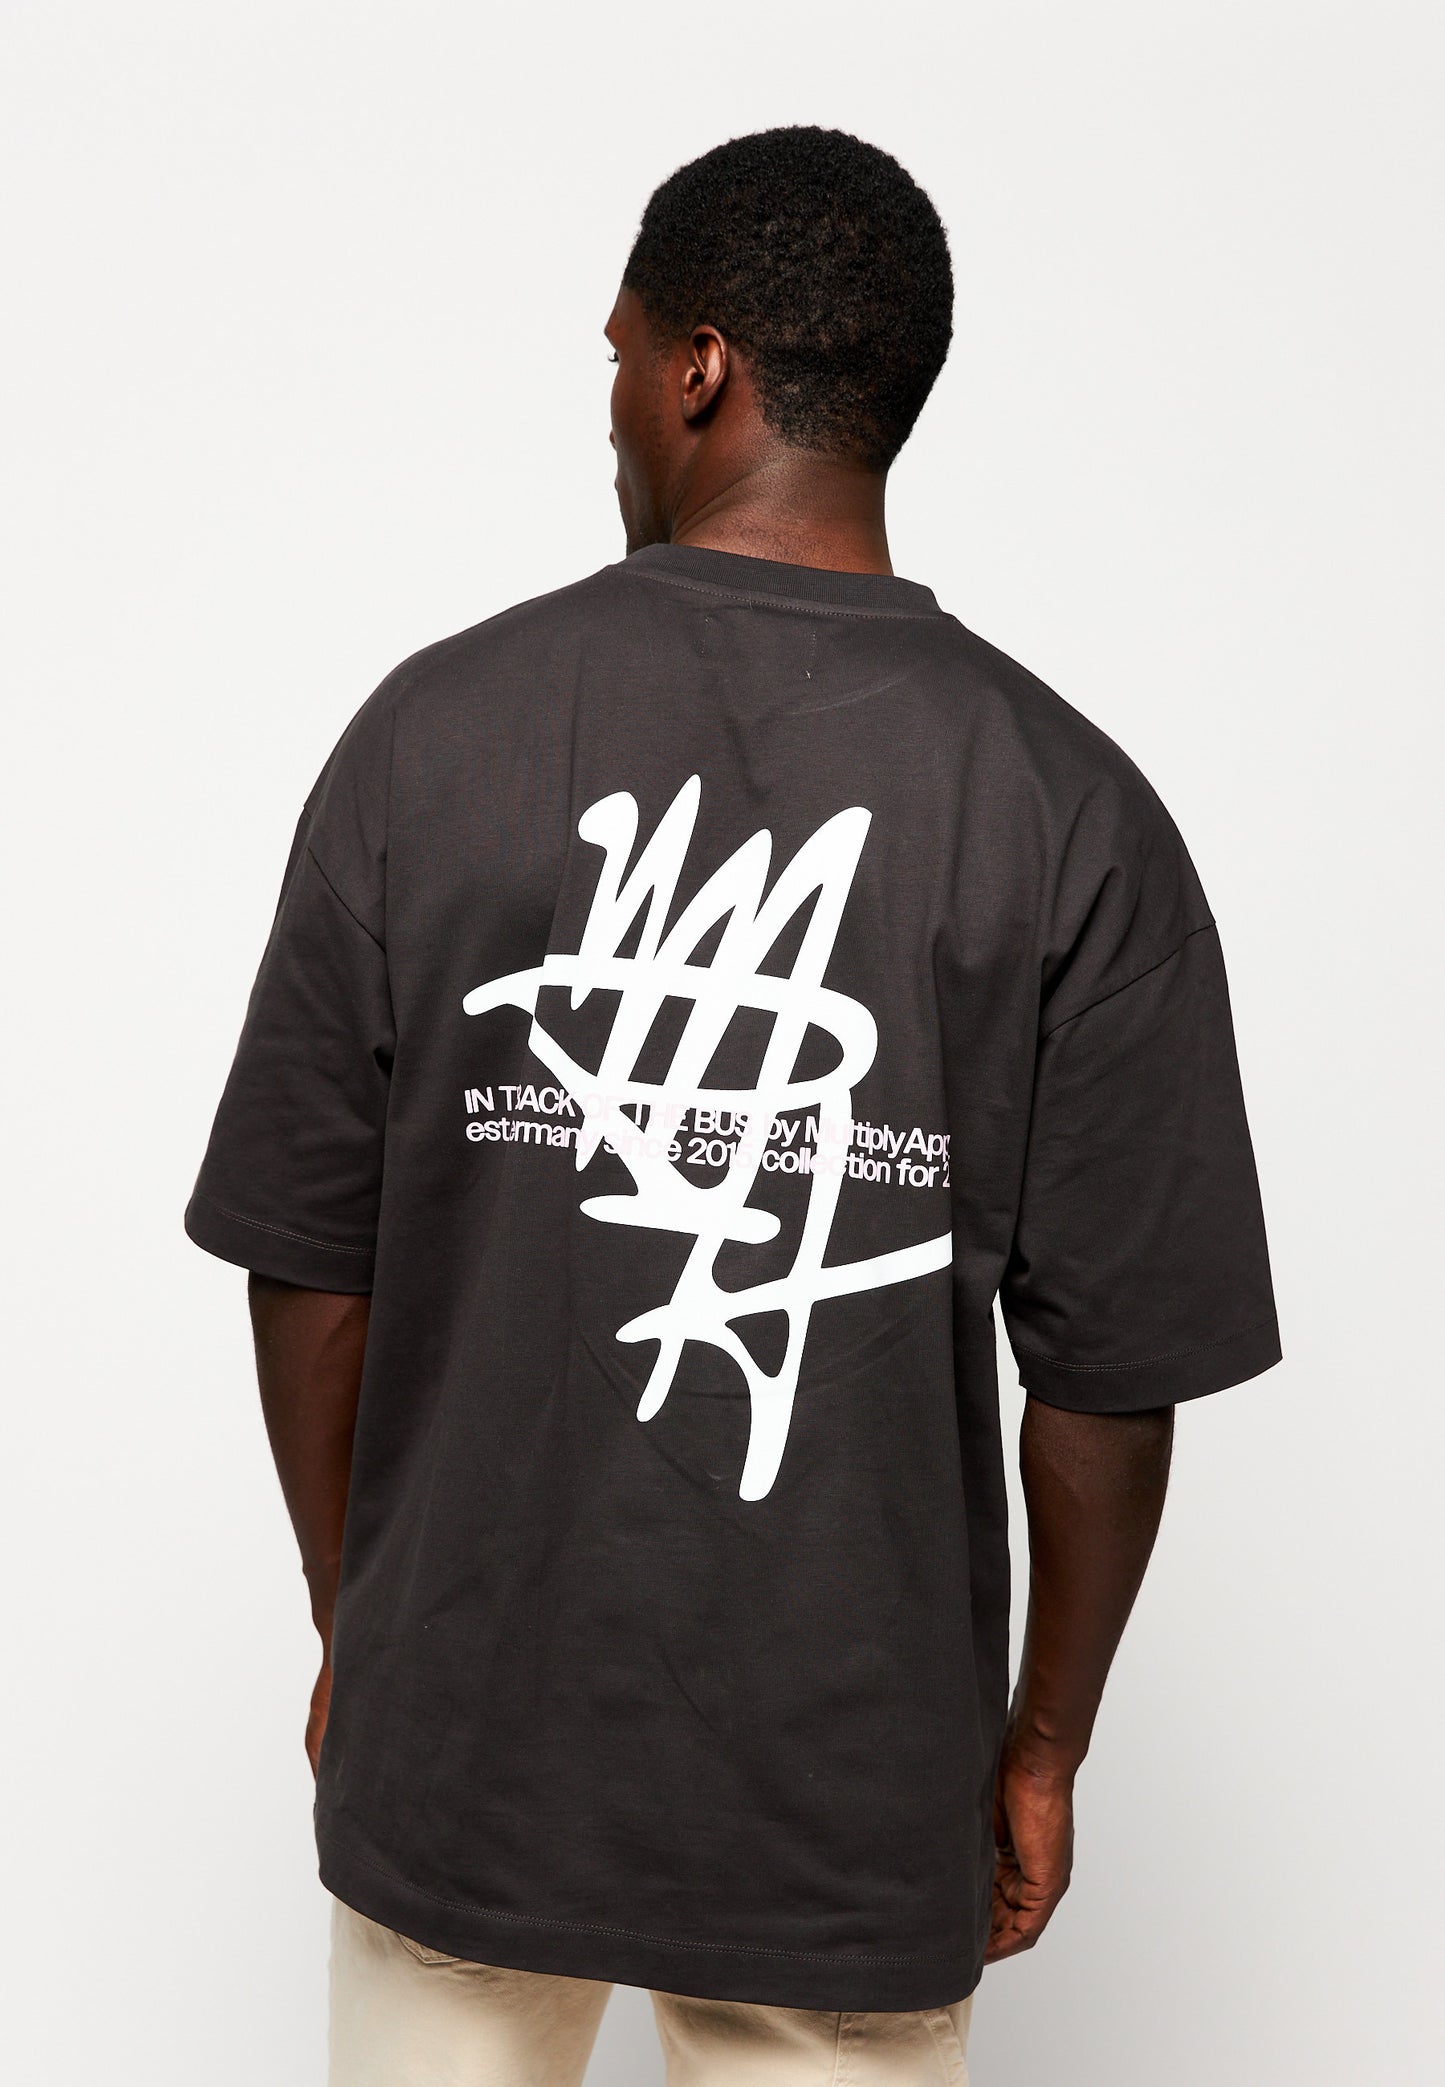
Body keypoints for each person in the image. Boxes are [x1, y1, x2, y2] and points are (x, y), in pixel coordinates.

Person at [186, 126, 1281, 2086]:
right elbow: (1110, 1388)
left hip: (465, 1750)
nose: (606, 404)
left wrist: (366, 1625)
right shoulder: (1069, 809)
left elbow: (309, 1263)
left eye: (617, 354)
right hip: (851, 1795)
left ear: (699, 370)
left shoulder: (432, 739)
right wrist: (1040, 1749)